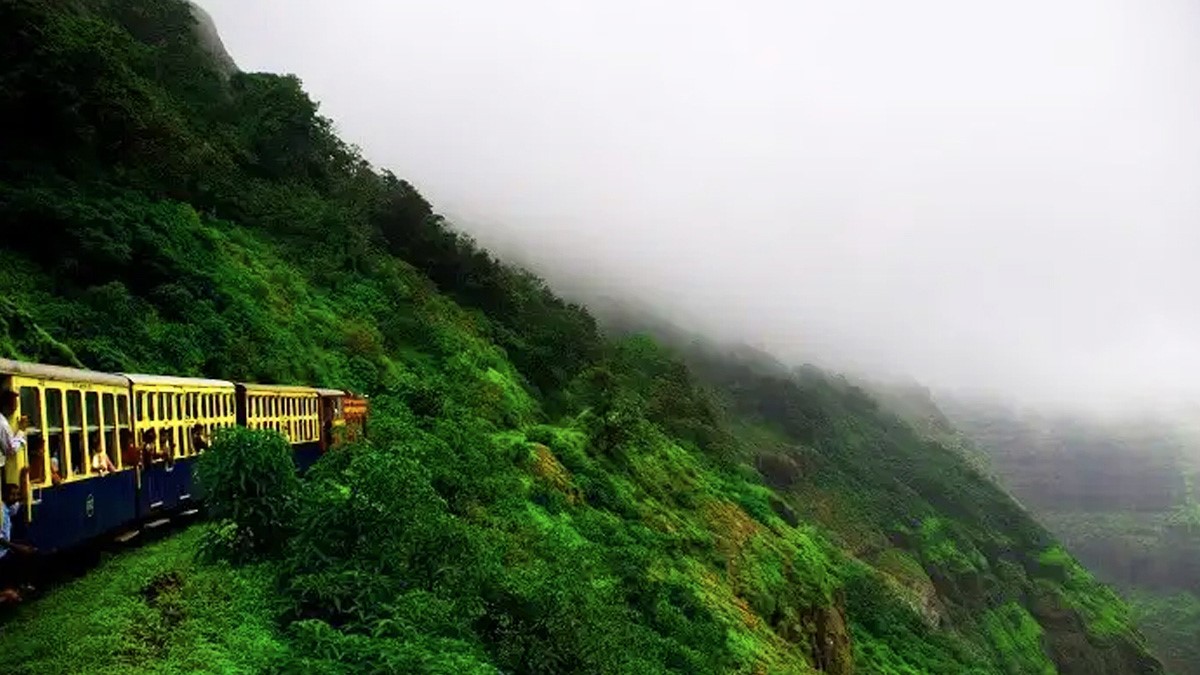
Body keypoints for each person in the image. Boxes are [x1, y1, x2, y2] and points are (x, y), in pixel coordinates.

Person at [0, 483, 35, 604]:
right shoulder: (0, 511)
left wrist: (23, 477)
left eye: (16, 495)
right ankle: (12, 591)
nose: (15, 497)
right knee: (20, 555)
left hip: (5, 549)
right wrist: (19, 548)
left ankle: (20, 586)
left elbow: (18, 504)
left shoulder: (6, 508)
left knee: (30, 547)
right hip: (2, 553)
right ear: (4, 495)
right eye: (12, 495)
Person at [0, 390, 28, 492]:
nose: (16, 407)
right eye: (15, 403)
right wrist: (21, 430)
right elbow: (11, 449)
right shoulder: (2, 424)